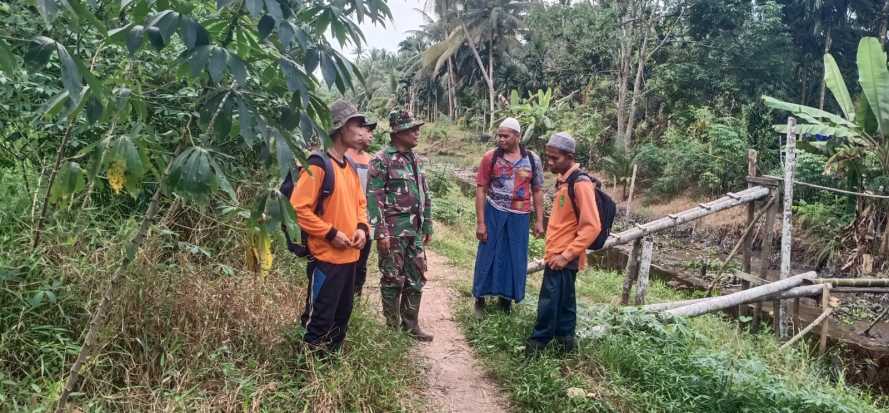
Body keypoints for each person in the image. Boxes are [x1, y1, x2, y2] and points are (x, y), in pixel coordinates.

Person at [292, 100, 375, 353]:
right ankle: (307, 370)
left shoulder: (348, 166)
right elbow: (299, 208)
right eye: (357, 125)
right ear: (341, 128)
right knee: (319, 318)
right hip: (327, 258)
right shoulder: (318, 164)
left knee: (341, 317)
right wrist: (330, 233)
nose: (363, 131)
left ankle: (330, 362)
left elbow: (360, 202)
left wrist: (361, 228)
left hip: (350, 257)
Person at [527, 132, 601, 354]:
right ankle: (565, 344)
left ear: (570, 156)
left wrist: (566, 255)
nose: (550, 162)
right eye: (548, 157)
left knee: (549, 302)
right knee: (565, 302)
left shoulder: (580, 184)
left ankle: (537, 345)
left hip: (563, 256)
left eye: (555, 158)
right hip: (557, 254)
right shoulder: (564, 181)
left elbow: (592, 226)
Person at [366, 109, 434, 342]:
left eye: (417, 128)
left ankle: (411, 324)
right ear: (398, 132)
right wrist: (380, 231)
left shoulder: (415, 159)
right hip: (393, 233)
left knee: (416, 276)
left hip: (414, 231)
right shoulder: (381, 160)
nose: (417, 133)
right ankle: (392, 327)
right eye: (412, 129)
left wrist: (428, 225)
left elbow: (425, 194)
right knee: (392, 278)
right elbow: (374, 198)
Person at [472, 117, 544, 318]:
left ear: (517, 137)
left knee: (515, 257)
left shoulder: (532, 159)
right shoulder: (490, 158)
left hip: (520, 217)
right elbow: (481, 190)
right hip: (494, 211)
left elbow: (537, 190)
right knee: (488, 254)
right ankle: (480, 298)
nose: (500, 139)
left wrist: (539, 220)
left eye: (505, 136)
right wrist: (481, 222)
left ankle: (506, 299)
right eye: (499, 135)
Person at [346, 129, 374, 297]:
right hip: (346, 217)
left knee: (361, 261)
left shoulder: (371, 160)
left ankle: (356, 295)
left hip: (365, 220)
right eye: (368, 131)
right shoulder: (343, 157)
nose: (371, 135)